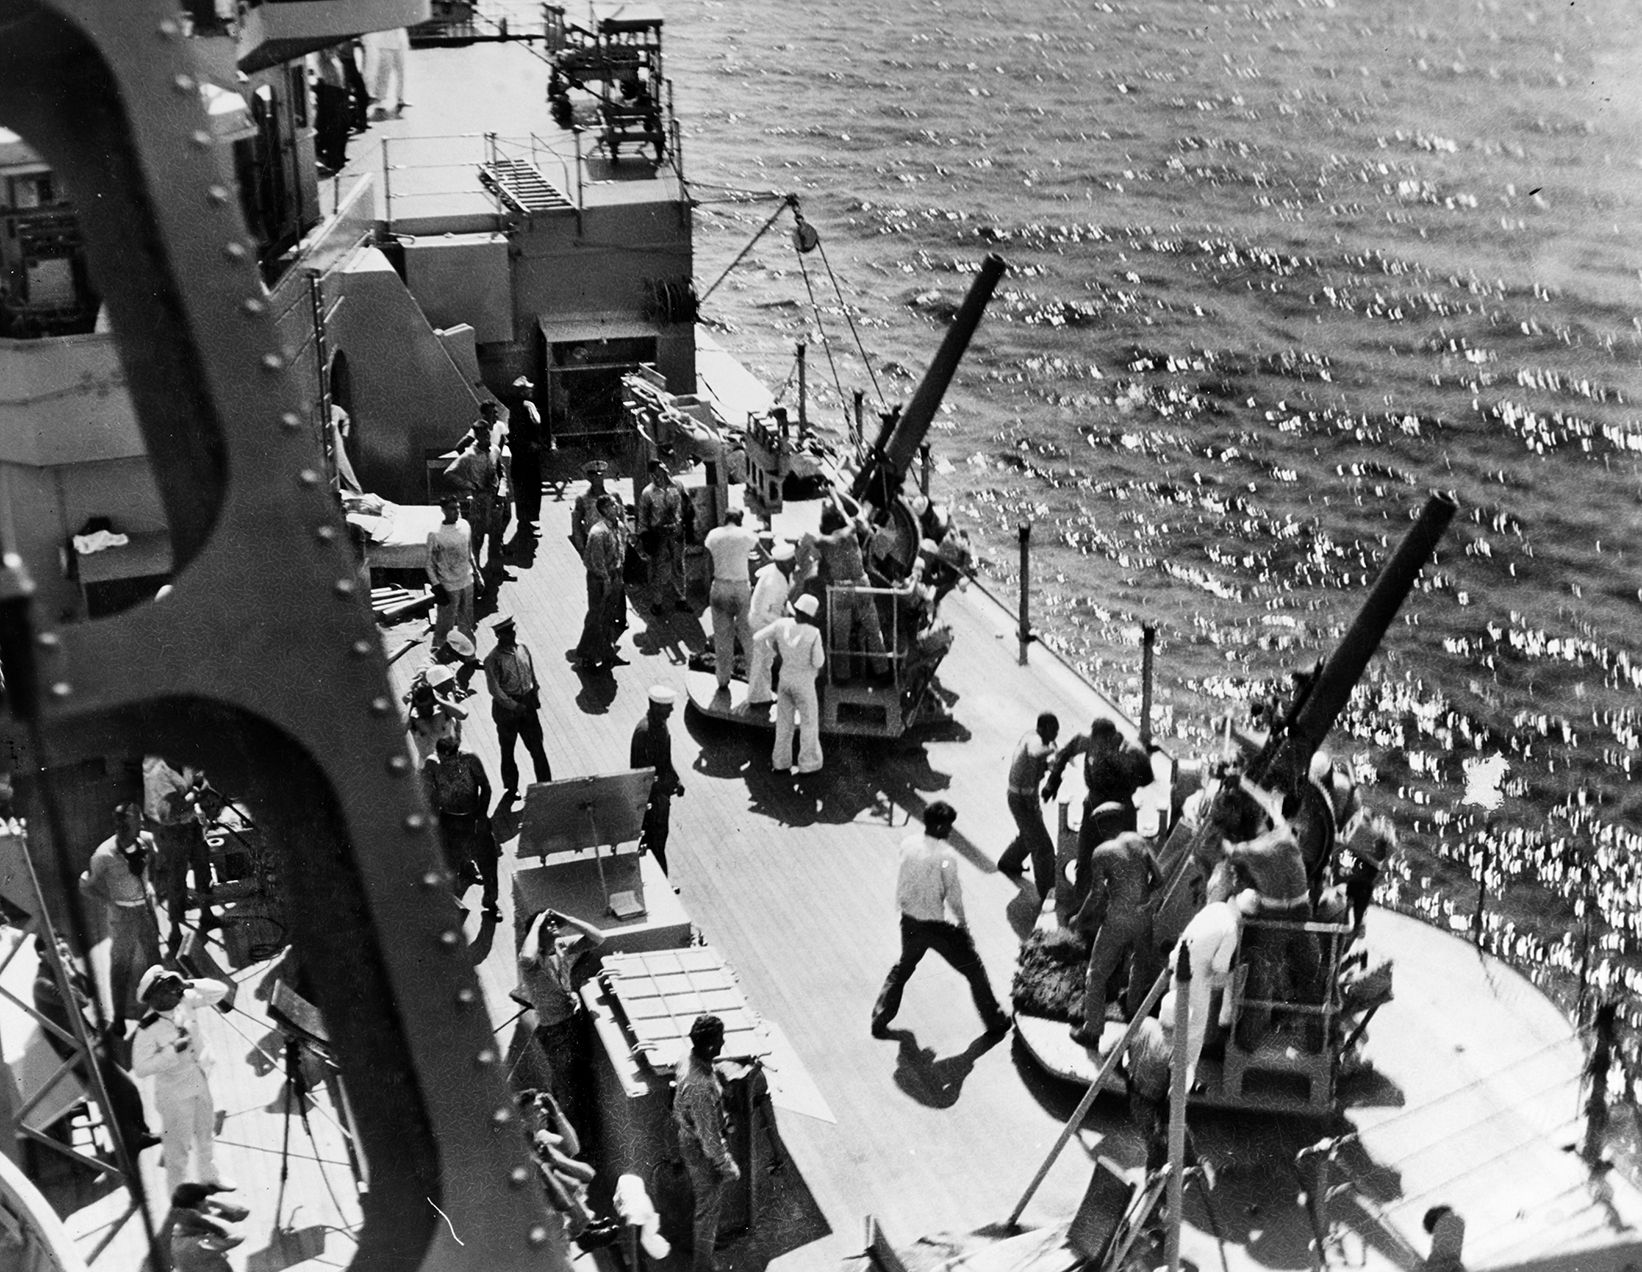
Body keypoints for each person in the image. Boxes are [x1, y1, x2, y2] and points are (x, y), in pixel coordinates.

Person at [871, 801, 1010, 1038]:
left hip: (909, 921)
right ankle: (994, 1020)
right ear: (938, 826)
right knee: (973, 968)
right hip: (935, 926)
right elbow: (954, 896)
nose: (950, 830)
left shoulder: (908, 844)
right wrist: (963, 926)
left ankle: (880, 1016)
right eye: (948, 826)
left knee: (903, 967)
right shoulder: (945, 857)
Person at [31, 933, 158, 1157]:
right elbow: (79, 1000)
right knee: (127, 1088)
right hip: (76, 1050)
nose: (62, 947)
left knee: (120, 1091)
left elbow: (87, 989)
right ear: (43, 953)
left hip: (88, 1041)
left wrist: (69, 969)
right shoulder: (43, 983)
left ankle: (136, 1135)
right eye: (55, 944)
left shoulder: (57, 972)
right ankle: (136, 1137)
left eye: (62, 942)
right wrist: (67, 972)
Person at [1220, 794, 1322, 1052]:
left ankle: (1246, 1043)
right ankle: (1319, 1039)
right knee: (1310, 974)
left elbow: (1229, 851)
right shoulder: (1286, 835)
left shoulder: (1252, 851)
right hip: (1301, 911)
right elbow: (1272, 809)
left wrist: (1218, 828)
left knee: (1261, 978)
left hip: (1274, 917)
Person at [130, 965, 234, 1197]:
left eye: (173, 987)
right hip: (174, 1095)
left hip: (200, 1081)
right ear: (154, 997)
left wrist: (189, 983)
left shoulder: (184, 999)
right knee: (177, 1152)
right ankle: (179, 1200)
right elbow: (141, 1068)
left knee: (205, 1134)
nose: (174, 993)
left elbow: (220, 990)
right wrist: (171, 1053)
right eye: (167, 989)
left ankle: (210, 1176)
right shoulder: (147, 1029)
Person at [1044, 716, 1155, 913]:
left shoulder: (1129, 751)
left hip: (1121, 809)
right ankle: (1081, 910)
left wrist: (1125, 769)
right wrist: (1052, 782)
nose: (1098, 747)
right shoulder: (1087, 741)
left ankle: (1121, 913)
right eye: (1096, 742)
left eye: (1103, 743)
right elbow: (1065, 753)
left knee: (1124, 862)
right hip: (1093, 804)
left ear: (1112, 738)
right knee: (1085, 862)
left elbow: (1147, 776)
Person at [1069, 830, 1164, 1051]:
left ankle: (1092, 1030)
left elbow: (1096, 895)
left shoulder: (1101, 853)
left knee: (1096, 974)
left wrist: (1079, 918)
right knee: (1139, 964)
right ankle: (1132, 1011)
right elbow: (1159, 880)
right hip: (1143, 918)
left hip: (1117, 920)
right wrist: (1145, 901)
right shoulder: (1138, 841)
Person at [78, 803, 164, 1035]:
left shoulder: (146, 840)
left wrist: (150, 888)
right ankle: (118, 1017)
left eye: (133, 824)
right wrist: (109, 901)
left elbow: (153, 862)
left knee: (155, 959)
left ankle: (162, 1009)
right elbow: (85, 883)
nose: (124, 829)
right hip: (122, 916)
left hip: (145, 909)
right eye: (120, 824)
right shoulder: (103, 855)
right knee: (121, 967)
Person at [517, 908, 607, 1112]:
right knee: (566, 1086)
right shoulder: (533, 960)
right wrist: (538, 923)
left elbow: (598, 937)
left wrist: (568, 918)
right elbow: (526, 958)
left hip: (572, 1020)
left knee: (581, 1080)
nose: (554, 926)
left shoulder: (561, 947)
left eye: (554, 923)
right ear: (537, 932)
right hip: (555, 1029)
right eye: (548, 925)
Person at [673, 1014, 741, 1272]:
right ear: (711, 1045)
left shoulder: (686, 1058)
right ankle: (702, 1266)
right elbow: (710, 1140)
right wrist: (727, 1166)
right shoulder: (700, 1087)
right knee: (708, 1209)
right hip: (700, 1150)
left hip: (688, 1137)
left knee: (704, 1205)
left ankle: (702, 1247)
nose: (724, 1042)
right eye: (720, 1039)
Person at [143, 755, 216, 955]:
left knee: (203, 869)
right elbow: (170, 813)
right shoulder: (158, 773)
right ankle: (175, 930)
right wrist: (195, 794)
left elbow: (204, 784)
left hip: (192, 824)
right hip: (172, 832)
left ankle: (207, 914)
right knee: (176, 879)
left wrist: (190, 795)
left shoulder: (185, 760)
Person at [422, 733, 499, 920]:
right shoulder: (432, 764)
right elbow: (428, 795)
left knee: (488, 863)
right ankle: (452, 903)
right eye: (444, 759)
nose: (448, 764)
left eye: (451, 759)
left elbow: (486, 787)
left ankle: (490, 902)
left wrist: (481, 816)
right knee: (448, 866)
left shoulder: (470, 759)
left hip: (473, 816)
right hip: (448, 821)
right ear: (438, 755)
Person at [813, 501, 889, 683]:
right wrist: (838, 504)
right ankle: (883, 671)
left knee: (841, 636)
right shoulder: (849, 532)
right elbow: (852, 520)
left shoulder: (823, 541)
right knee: (873, 630)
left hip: (841, 588)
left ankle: (842, 676)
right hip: (861, 583)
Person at [484, 615, 553, 799]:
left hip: (527, 702)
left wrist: (535, 694)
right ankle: (511, 787)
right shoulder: (492, 659)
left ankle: (546, 784)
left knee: (537, 747)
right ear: (499, 636)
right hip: (506, 710)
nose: (512, 634)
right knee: (508, 750)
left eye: (513, 630)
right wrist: (514, 706)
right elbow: (495, 690)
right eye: (507, 632)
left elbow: (531, 672)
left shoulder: (523, 648)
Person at [756, 593, 825, 774]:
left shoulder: (781, 625)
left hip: (785, 680)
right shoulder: (814, 633)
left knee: (784, 724)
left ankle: (780, 762)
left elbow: (758, 637)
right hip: (804, 684)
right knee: (808, 723)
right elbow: (818, 662)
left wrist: (775, 649)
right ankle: (808, 764)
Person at [996, 712, 1060, 899]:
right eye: (1053, 730)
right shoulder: (1033, 740)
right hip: (1020, 800)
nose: (1056, 735)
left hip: (1027, 798)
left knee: (1030, 834)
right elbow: (1034, 753)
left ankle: (1009, 862)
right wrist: (1054, 753)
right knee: (1043, 847)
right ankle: (1048, 892)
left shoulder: (1043, 741)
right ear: (1042, 728)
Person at [630, 687, 685, 875]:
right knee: (653, 846)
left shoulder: (660, 726)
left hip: (659, 798)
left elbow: (664, 760)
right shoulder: (644, 733)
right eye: (667, 707)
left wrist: (675, 779)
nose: (671, 710)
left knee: (658, 843)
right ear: (654, 706)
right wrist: (662, 791)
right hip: (651, 801)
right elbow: (642, 774)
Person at [703, 509, 759, 692]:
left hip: (720, 586)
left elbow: (708, 561)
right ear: (740, 520)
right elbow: (756, 553)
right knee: (747, 636)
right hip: (741, 587)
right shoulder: (746, 535)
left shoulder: (713, 535)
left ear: (724, 519)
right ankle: (753, 680)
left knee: (722, 638)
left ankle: (722, 680)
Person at [575, 493, 627, 672]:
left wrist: (618, 575)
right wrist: (606, 581)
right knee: (596, 616)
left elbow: (621, 550)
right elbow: (596, 561)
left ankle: (608, 653)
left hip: (615, 574)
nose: (617, 507)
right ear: (604, 510)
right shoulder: (598, 532)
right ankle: (586, 655)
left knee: (609, 616)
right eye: (613, 505)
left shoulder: (619, 527)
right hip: (599, 578)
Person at [745, 541, 798, 708]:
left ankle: (762, 694)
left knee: (765, 660)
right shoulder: (774, 583)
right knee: (762, 660)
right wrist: (785, 623)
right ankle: (757, 698)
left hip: (766, 621)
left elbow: (783, 600)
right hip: (762, 623)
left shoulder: (778, 572)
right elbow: (765, 611)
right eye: (792, 562)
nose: (794, 564)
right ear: (784, 563)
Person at [161, 1183, 249, 1272]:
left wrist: (209, 1202)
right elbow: (238, 1236)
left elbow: (242, 1212)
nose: (209, 1207)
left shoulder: (190, 1226)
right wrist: (203, 1216)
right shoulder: (194, 1244)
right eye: (205, 1202)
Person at [637, 459, 687, 612]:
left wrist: (685, 525)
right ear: (653, 475)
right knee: (658, 569)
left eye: (664, 470)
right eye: (659, 472)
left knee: (679, 566)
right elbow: (643, 516)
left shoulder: (678, 486)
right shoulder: (648, 493)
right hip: (658, 535)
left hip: (676, 533)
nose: (663, 474)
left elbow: (686, 506)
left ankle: (681, 598)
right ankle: (657, 603)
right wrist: (644, 537)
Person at [426, 496, 475, 645]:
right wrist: (437, 586)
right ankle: (437, 655)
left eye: (458, 508)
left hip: (467, 582)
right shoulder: (435, 534)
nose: (457, 511)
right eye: (452, 508)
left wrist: (477, 575)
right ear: (443, 510)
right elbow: (429, 564)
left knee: (467, 623)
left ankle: (469, 657)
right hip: (449, 586)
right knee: (444, 626)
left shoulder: (465, 525)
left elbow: (469, 551)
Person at [404, 664, 466, 765]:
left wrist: (438, 699)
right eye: (421, 707)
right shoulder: (413, 719)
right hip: (427, 764)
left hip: (451, 759)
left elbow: (463, 714)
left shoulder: (443, 709)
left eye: (428, 706)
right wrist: (409, 705)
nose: (425, 710)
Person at [507, 379, 543, 546]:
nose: (530, 391)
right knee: (531, 490)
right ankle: (527, 524)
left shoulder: (513, 408)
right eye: (527, 389)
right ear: (522, 392)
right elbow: (537, 422)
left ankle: (525, 524)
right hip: (528, 458)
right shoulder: (527, 406)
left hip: (520, 457)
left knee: (523, 491)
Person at [571, 460, 610, 559]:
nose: (598, 478)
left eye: (600, 475)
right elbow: (576, 524)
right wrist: (581, 549)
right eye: (594, 476)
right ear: (588, 477)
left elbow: (622, 519)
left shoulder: (613, 496)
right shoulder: (582, 498)